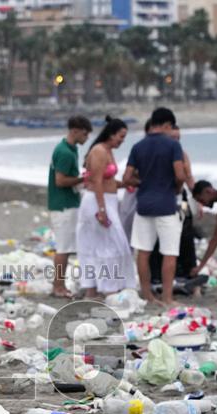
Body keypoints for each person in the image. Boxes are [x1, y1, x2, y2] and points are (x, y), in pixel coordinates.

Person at [121, 107, 187, 306]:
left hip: (144, 205)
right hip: (166, 205)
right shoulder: (173, 146)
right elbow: (180, 175)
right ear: (167, 124)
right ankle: (167, 297)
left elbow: (126, 178)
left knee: (143, 251)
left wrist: (143, 183)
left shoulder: (138, 146)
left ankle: (148, 295)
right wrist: (176, 188)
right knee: (169, 252)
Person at [76, 116, 136, 299]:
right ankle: (105, 289)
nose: (122, 141)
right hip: (96, 202)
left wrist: (125, 185)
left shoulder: (109, 151)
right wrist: (101, 210)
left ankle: (94, 290)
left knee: (102, 245)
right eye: (121, 136)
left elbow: (108, 181)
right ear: (111, 134)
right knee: (109, 246)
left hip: (107, 200)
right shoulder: (99, 151)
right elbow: (96, 181)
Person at [148, 124, 202, 295]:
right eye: (173, 138)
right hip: (162, 198)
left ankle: (189, 276)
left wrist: (198, 200)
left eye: (179, 138)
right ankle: (158, 278)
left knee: (186, 235)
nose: (176, 141)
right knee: (158, 239)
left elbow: (189, 178)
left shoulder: (183, 154)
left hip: (182, 200)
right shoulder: (157, 154)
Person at [47, 115, 92, 298]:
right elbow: (60, 180)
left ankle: (60, 285)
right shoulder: (65, 152)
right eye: (85, 133)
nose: (87, 137)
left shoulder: (70, 149)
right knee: (63, 249)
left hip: (68, 203)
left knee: (66, 247)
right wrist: (84, 179)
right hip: (63, 205)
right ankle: (58, 287)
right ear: (75, 130)